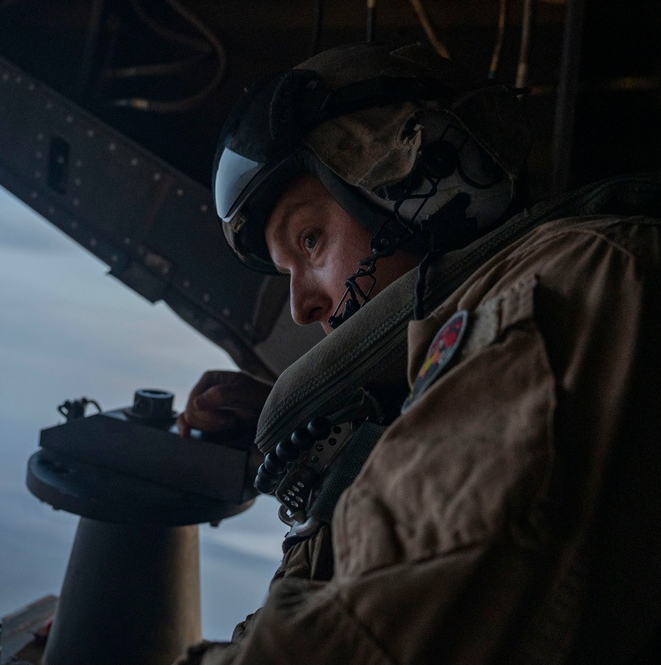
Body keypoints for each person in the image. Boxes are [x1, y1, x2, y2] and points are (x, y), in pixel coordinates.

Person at [177, 42, 661, 664]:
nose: (301, 307)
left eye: (311, 238)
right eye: (288, 270)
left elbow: (358, 644)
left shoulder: (565, 285)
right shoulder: (490, 334)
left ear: (420, 185)